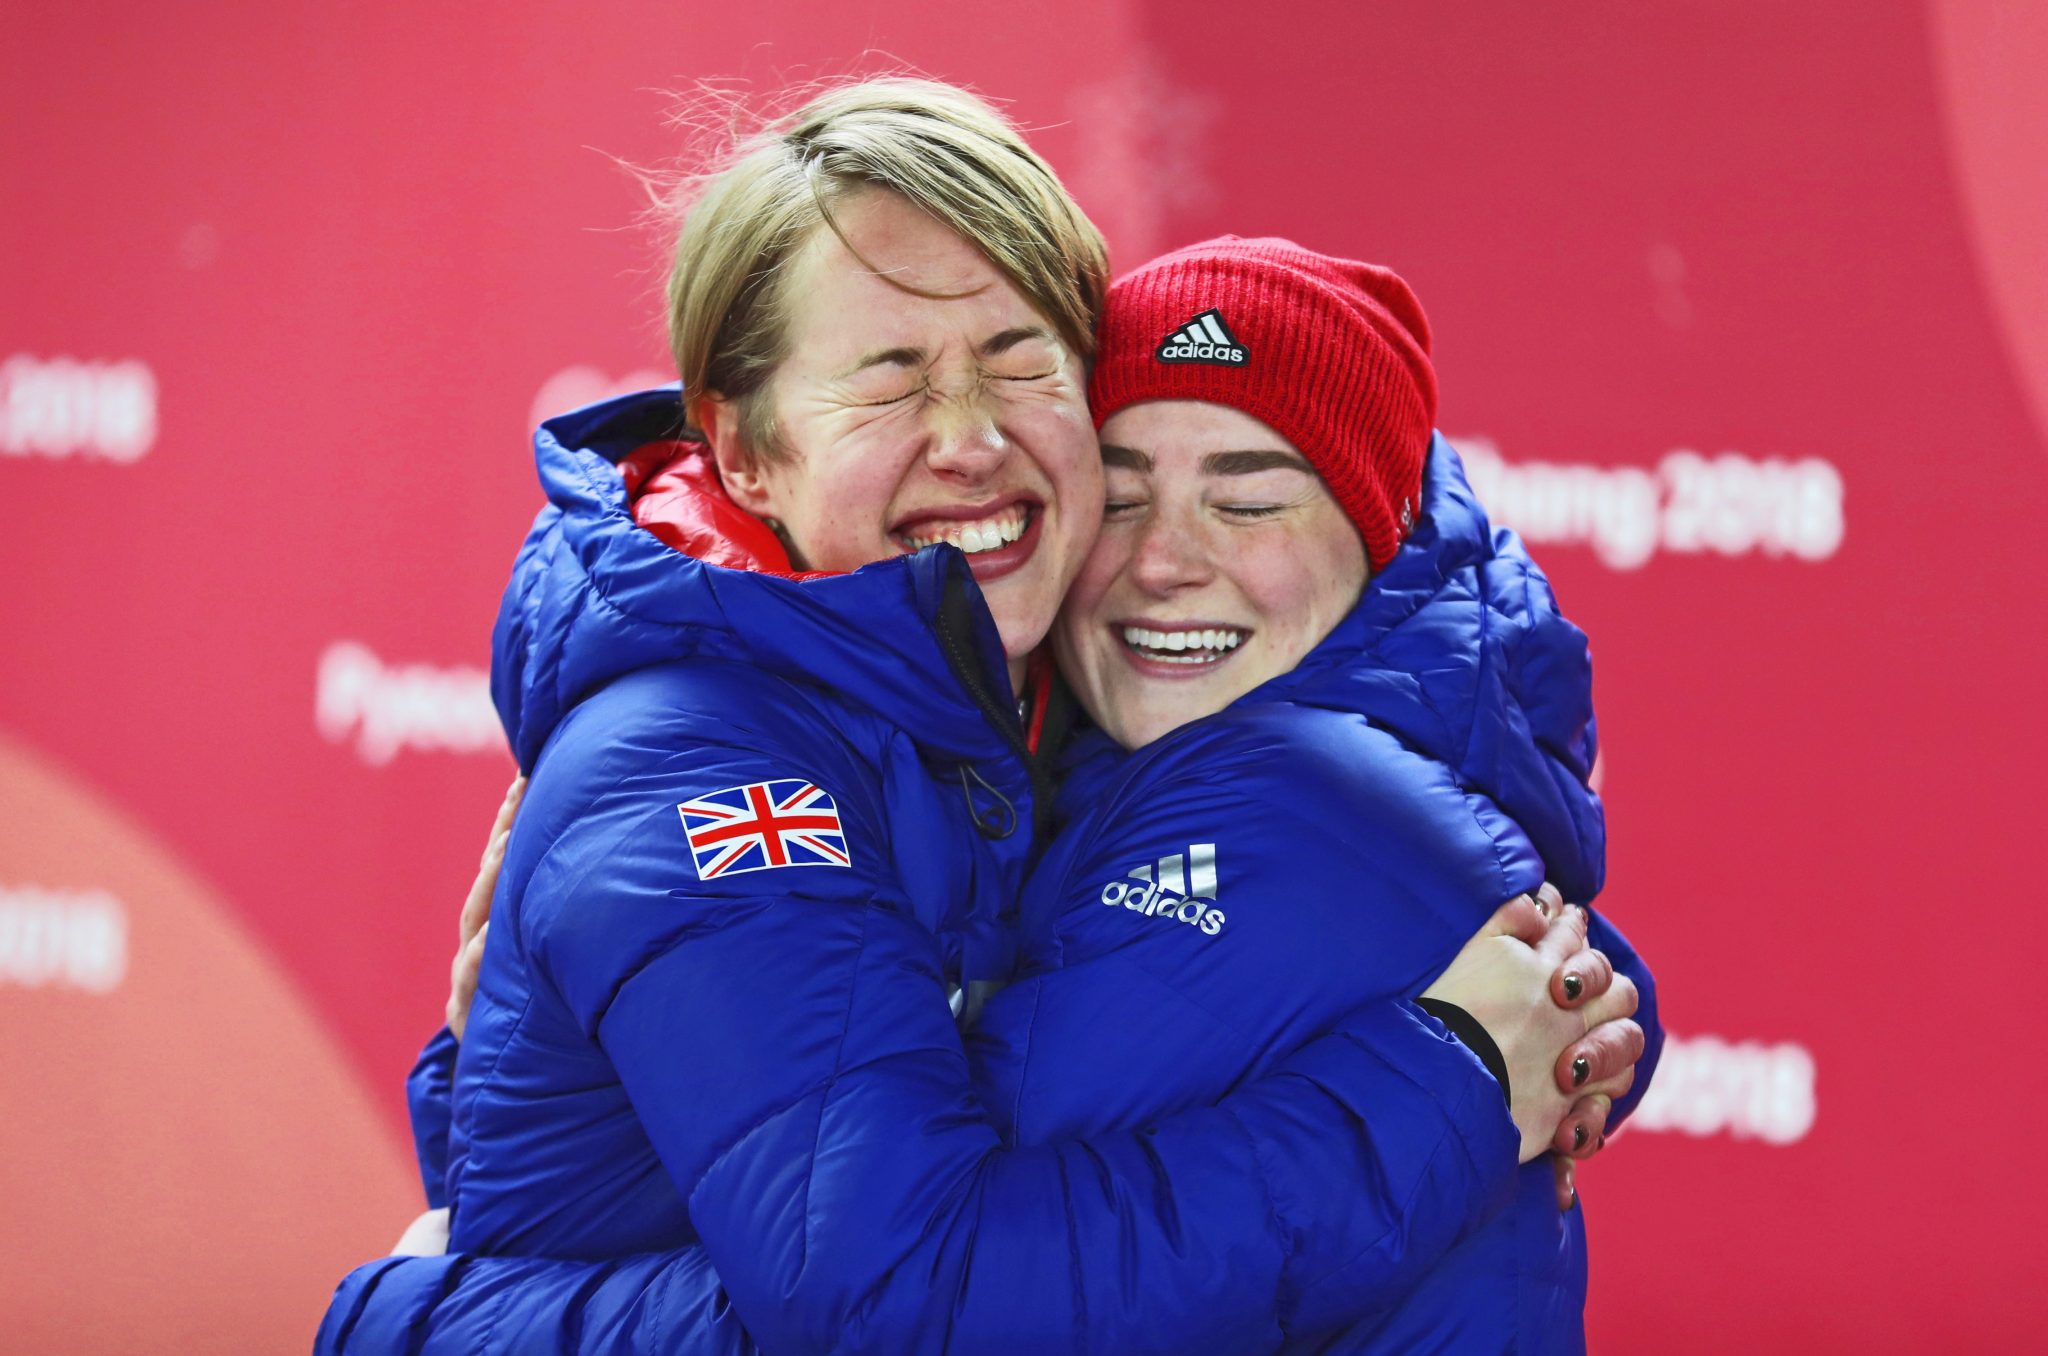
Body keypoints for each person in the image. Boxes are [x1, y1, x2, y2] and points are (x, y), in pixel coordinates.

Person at [318, 82, 1647, 1355]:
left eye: (1020, 362)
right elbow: (894, 1289)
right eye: (892, 378)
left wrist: (432, 1322)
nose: (968, 437)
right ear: (743, 450)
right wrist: (1459, 1076)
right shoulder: (721, 760)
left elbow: (900, 1281)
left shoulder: (1095, 728)